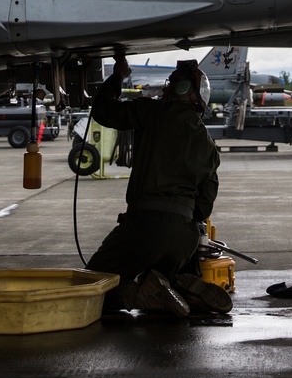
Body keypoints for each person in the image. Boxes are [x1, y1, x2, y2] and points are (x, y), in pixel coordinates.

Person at [86, 49, 229, 317]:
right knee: (161, 275)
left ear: (177, 87)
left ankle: (140, 294)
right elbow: (204, 205)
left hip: (145, 227)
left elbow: (104, 111)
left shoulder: (151, 111)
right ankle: (181, 283)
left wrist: (116, 78)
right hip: (185, 239)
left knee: (90, 287)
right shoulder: (209, 145)